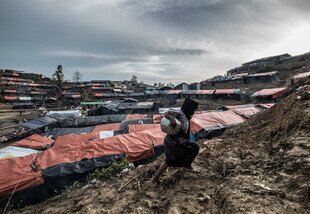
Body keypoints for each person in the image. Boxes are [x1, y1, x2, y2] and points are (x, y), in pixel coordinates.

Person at [151, 98, 199, 183]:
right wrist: (171, 118)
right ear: (188, 108)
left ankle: (187, 165)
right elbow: (166, 113)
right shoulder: (180, 113)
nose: (193, 112)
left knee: (191, 149)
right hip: (172, 140)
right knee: (169, 160)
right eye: (192, 110)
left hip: (178, 140)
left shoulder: (187, 117)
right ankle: (155, 178)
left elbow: (186, 132)